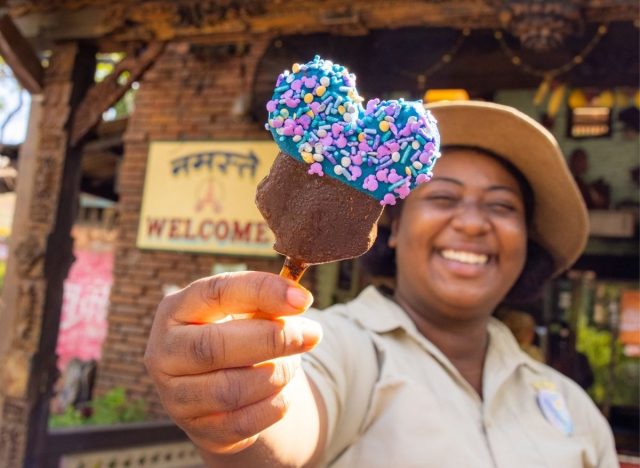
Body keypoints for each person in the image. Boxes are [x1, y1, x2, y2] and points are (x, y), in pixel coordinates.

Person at [144, 101, 617, 467]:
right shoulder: (334, 349)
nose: (472, 224)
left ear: (526, 243)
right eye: (444, 197)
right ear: (394, 224)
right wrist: (236, 414)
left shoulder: (574, 409)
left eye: (501, 206)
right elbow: (287, 426)